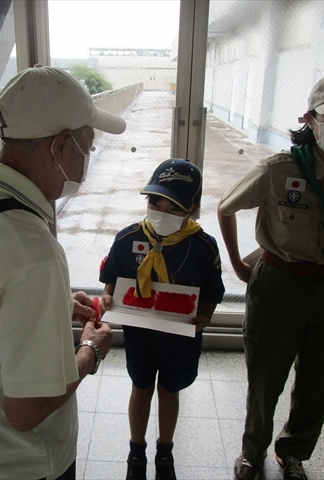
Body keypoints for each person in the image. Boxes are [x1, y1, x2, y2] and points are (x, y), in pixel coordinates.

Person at [0, 64, 125, 480]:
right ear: (62, 144)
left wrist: (51, 305)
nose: (87, 160)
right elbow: (27, 410)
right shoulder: (31, 250)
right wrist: (90, 352)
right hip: (26, 464)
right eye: (87, 147)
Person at [217, 71, 324, 480]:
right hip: (280, 284)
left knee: (320, 381)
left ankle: (292, 453)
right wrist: (240, 264)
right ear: (310, 119)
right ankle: (252, 453)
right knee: (265, 379)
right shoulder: (279, 168)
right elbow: (226, 207)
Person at [99, 159, 225, 480]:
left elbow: (212, 290)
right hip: (139, 334)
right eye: (156, 201)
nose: (162, 211)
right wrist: (108, 296)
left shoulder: (204, 246)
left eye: (175, 206)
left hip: (180, 338)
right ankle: (136, 450)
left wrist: (204, 317)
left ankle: (165, 451)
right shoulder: (128, 238)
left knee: (170, 391)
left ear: (193, 209)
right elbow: (111, 275)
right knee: (140, 388)